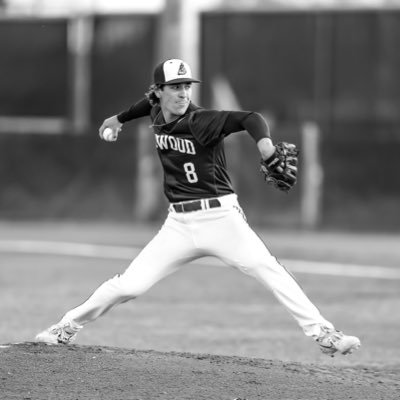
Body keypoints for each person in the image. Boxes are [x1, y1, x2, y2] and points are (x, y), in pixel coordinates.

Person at [35, 58, 360, 357]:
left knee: (268, 269)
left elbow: (251, 118)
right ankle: (65, 327)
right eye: (175, 87)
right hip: (178, 224)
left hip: (221, 219)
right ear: (159, 91)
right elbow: (143, 106)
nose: (182, 93)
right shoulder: (156, 109)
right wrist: (118, 119)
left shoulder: (202, 120)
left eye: (187, 86)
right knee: (129, 285)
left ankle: (324, 334)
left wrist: (265, 147)